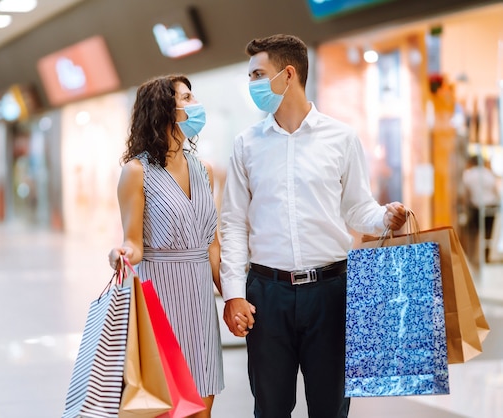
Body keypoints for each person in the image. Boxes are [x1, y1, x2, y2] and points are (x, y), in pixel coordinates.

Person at [219, 34, 407, 418]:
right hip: (266, 295)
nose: (252, 84)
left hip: (332, 293)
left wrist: (386, 218)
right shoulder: (247, 144)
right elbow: (234, 223)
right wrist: (234, 292)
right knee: (270, 409)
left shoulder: (341, 138)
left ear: (288, 74)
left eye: (258, 74)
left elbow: (358, 210)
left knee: (330, 409)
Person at [108, 74, 224, 417]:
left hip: (201, 301)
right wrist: (121, 254)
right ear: (163, 109)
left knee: (203, 405)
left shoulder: (205, 170)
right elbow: (134, 242)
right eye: (186, 98)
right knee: (168, 407)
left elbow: (212, 244)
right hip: (160, 299)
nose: (194, 104)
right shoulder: (136, 172)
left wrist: (231, 297)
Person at [462, 154, 500, 263]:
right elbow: (496, 192)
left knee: (474, 234)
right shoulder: (489, 174)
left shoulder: (469, 176)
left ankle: (473, 258)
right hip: (490, 207)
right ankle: (486, 257)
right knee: (488, 234)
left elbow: (466, 195)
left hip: (475, 208)